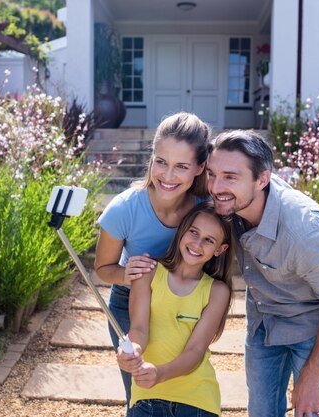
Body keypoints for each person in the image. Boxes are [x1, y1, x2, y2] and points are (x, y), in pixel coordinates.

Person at [205, 130, 319, 417]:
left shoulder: (306, 233)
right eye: (212, 174)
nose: (215, 187)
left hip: (313, 331)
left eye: (230, 176)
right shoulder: (231, 200)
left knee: (312, 411)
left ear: (262, 180)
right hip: (263, 323)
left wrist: (311, 377)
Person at [94, 112, 211, 413]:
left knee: (181, 388)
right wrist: (124, 274)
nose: (168, 176)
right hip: (129, 302)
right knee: (138, 393)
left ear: (199, 168)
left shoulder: (205, 209)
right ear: (152, 158)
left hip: (182, 304)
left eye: (181, 167)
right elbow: (103, 269)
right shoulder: (123, 209)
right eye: (161, 162)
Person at [117, 202, 234, 417]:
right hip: (147, 397)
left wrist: (160, 373)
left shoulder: (217, 291)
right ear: (182, 230)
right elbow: (139, 328)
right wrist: (131, 350)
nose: (197, 244)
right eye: (194, 232)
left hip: (198, 400)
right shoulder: (148, 272)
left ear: (220, 249)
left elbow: (195, 351)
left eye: (209, 240)